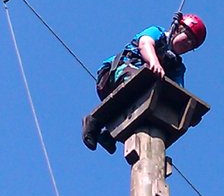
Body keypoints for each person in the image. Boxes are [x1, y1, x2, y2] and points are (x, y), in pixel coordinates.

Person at [81, 13, 207, 152]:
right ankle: (95, 121)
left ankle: (110, 135)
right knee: (142, 81)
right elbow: (145, 44)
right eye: (188, 37)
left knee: (155, 101)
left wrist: (188, 112)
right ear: (178, 29)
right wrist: (154, 62)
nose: (188, 44)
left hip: (143, 86)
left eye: (192, 44)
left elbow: (178, 90)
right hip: (117, 72)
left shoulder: (177, 66)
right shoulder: (158, 33)